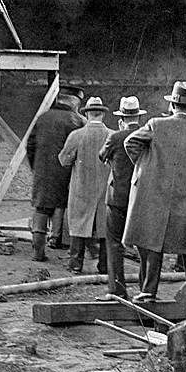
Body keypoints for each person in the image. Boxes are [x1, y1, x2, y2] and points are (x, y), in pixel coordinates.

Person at [123, 80, 186, 302]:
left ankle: (148, 292)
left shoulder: (155, 124)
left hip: (155, 193)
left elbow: (130, 142)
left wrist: (146, 168)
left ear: (172, 104)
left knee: (152, 241)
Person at [27, 84, 86, 262]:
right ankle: (60, 242)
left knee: (41, 206)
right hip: (66, 171)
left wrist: (35, 166)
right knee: (64, 204)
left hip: (42, 170)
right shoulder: (76, 121)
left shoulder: (42, 117)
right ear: (74, 102)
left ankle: (37, 251)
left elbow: (30, 145)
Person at [98, 96, 146, 298]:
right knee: (143, 244)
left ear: (121, 118)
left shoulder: (115, 137)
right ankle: (146, 290)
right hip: (141, 198)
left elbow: (102, 155)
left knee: (115, 243)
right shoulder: (146, 136)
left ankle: (117, 290)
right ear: (138, 117)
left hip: (117, 197)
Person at [57, 96, 111, 274]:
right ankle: (104, 266)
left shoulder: (77, 135)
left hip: (81, 188)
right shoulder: (111, 135)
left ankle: (75, 264)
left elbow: (63, 160)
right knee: (105, 227)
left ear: (87, 114)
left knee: (78, 224)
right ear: (102, 115)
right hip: (104, 189)